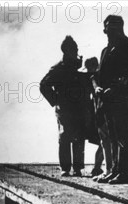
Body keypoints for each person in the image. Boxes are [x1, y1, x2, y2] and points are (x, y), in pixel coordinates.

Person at [92, 15, 128, 184]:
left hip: (125, 100)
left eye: (114, 28)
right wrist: (97, 87)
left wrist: (114, 89)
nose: (109, 31)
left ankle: (126, 173)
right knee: (113, 137)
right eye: (108, 28)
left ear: (121, 27)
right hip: (108, 102)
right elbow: (98, 75)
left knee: (125, 138)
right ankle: (114, 170)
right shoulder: (105, 51)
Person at [40, 35, 87, 177]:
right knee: (65, 136)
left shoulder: (78, 67)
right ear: (66, 51)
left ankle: (78, 168)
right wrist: (56, 100)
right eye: (74, 49)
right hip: (65, 109)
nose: (76, 52)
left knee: (79, 136)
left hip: (78, 107)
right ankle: (66, 168)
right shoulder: (57, 68)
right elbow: (44, 85)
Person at [82, 57, 107, 177]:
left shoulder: (91, 77)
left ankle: (98, 167)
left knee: (103, 142)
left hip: (96, 113)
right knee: (104, 141)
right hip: (99, 113)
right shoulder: (95, 77)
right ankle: (97, 167)